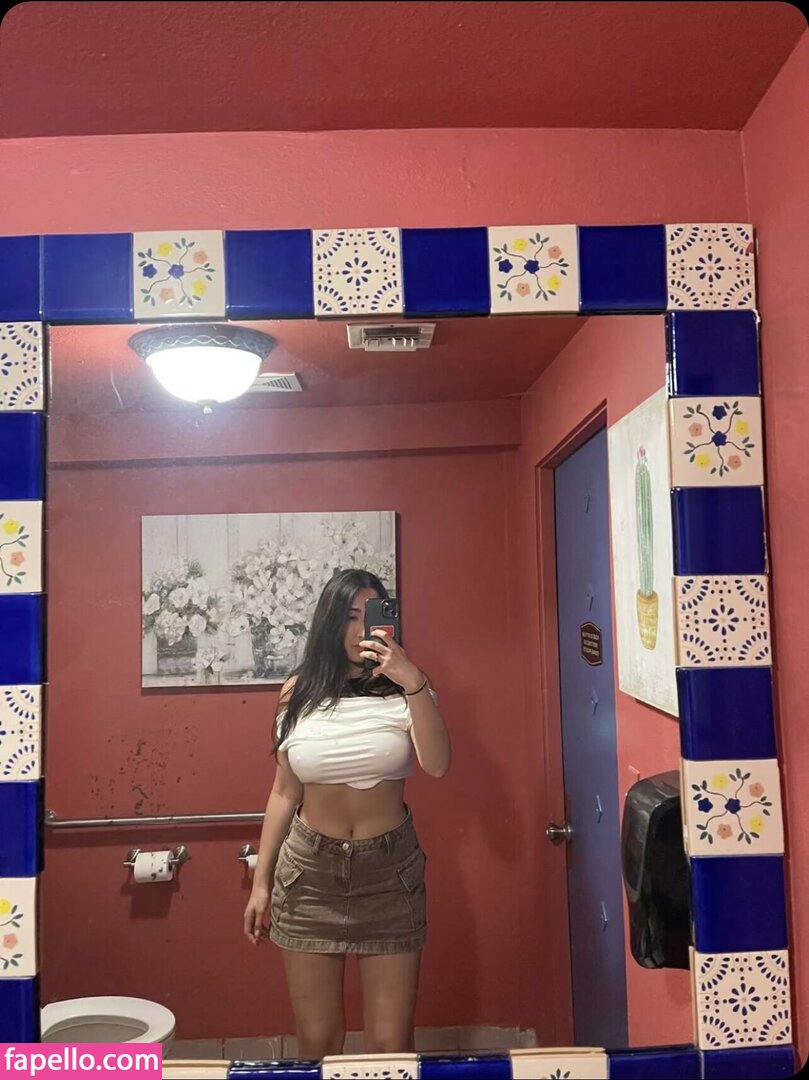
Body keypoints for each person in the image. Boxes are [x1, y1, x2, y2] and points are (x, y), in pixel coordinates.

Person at [243, 568, 451, 1058]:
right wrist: (260, 882)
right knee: (317, 1041)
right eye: (349, 617)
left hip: (388, 874)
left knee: (390, 1044)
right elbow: (283, 791)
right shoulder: (298, 691)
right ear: (330, 622)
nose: (360, 631)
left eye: (370, 616)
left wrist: (412, 680)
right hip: (309, 874)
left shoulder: (408, 688)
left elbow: (438, 765)